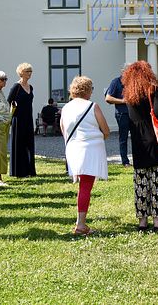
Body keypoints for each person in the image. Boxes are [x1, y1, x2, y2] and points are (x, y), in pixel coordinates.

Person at [122, 61, 158, 232]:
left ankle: (142, 222)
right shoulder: (153, 90)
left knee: (141, 184)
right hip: (157, 142)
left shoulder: (130, 95)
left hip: (139, 144)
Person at [60, 76, 110, 235]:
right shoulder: (93, 106)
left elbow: (63, 130)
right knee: (85, 187)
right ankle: (80, 224)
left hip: (73, 149)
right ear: (88, 90)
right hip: (90, 150)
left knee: (84, 186)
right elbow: (106, 130)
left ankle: (80, 222)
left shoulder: (66, 107)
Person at [8, 62, 36, 177]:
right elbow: (9, 101)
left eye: (30, 71)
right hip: (18, 119)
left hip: (28, 118)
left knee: (29, 143)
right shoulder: (16, 87)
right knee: (19, 144)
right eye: (27, 71)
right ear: (21, 73)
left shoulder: (31, 87)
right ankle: (19, 171)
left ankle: (30, 170)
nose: (29, 74)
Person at [105, 65, 131, 167]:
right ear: (123, 72)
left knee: (137, 137)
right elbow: (108, 98)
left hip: (134, 114)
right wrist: (123, 101)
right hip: (122, 114)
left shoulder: (133, 82)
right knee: (123, 138)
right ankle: (125, 161)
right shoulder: (116, 82)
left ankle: (138, 159)